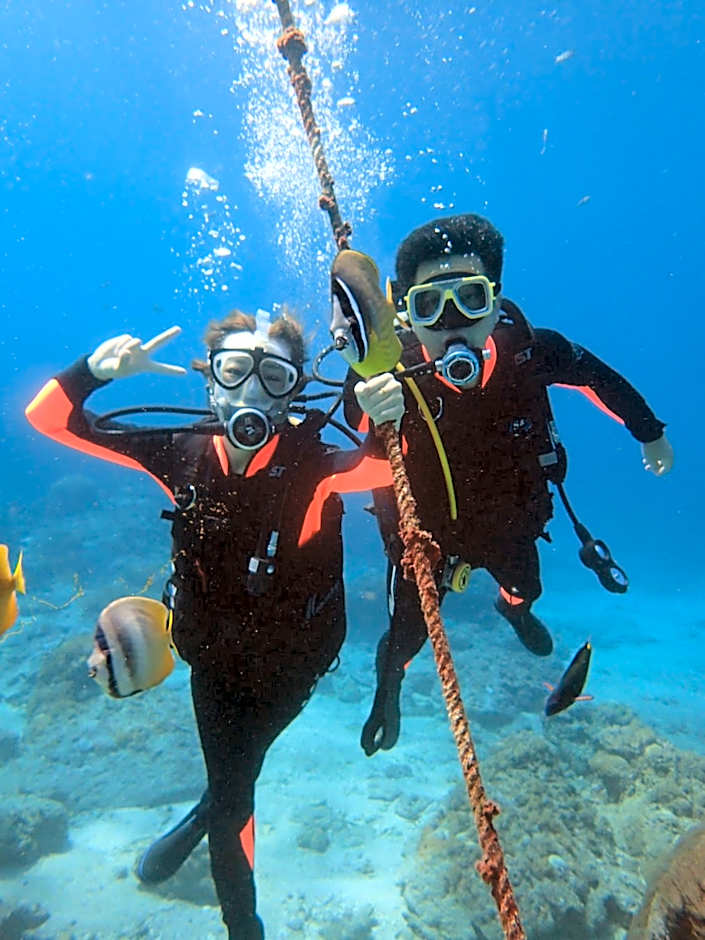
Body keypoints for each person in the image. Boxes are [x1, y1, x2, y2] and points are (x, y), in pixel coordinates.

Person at [25, 309, 389, 939]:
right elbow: (48, 419)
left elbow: (386, 468)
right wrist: (92, 373)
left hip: (293, 667)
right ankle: (242, 922)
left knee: (235, 774)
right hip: (212, 665)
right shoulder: (179, 453)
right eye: (235, 369)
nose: (253, 392)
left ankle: (211, 813)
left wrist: (386, 414)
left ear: (295, 391)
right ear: (210, 383)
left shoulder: (314, 465)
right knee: (235, 789)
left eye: (275, 377)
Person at [336, 213, 673, 757]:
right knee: (403, 637)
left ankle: (512, 610)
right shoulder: (386, 370)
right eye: (429, 305)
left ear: (495, 301)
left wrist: (649, 431)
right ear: (407, 314)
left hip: (511, 526)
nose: (451, 323)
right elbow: (350, 426)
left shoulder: (530, 351)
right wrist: (366, 399)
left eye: (470, 299)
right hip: (424, 541)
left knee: (525, 588)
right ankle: (388, 688)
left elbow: (598, 378)